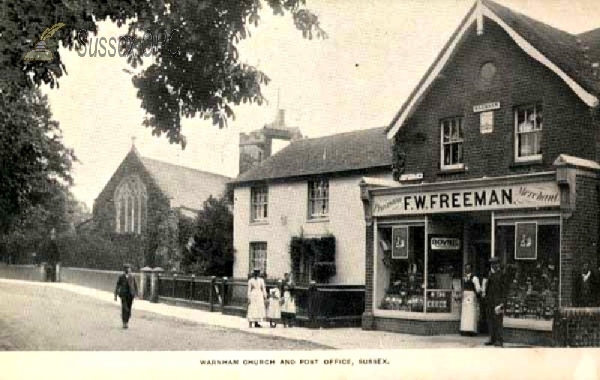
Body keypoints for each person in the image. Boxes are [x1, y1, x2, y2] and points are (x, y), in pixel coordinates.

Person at [483, 257, 507, 347]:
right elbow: (488, 288)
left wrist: (502, 302)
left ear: (498, 264)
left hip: (498, 301)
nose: (493, 266)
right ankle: (492, 339)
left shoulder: (502, 275)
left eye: (495, 264)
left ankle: (499, 340)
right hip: (490, 300)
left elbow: (504, 289)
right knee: (490, 320)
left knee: (498, 321)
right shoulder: (490, 274)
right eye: (492, 264)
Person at [114, 264, 138, 329]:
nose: (129, 269)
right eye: (128, 268)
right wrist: (115, 295)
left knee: (129, 309)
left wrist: (136, 294)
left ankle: (126, 321)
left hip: (130, 295)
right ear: (125, 269)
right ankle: (124, 322)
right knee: (125, 308)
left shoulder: (132, 277)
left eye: (130, 268)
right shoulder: (121, 277)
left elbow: (135, 285)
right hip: (123, 295)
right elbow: (118, 285)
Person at [460, 264, 482, 336]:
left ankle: (471, 330)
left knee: (471, 313)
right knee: (465, 314)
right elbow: (462, 287)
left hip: (472, 296)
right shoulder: (464, 278)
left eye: (468, 268)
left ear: (471, 269)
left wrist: (477, 293)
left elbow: (478, 288)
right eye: (466, 268)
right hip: (465, 296)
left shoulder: (474, 278)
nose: (467, 270)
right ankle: (464, 329)